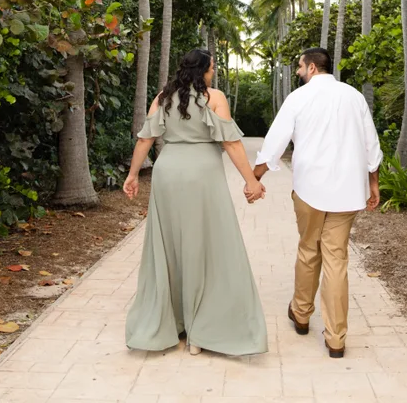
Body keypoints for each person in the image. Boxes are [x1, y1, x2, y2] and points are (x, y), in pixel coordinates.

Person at [124, 48, 268, 357]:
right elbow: (231, 143)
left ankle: (172, 322)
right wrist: (251, 181)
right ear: (203, 70)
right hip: (203, 175)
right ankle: (201, 331)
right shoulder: (214, 97)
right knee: (206, 246)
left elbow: (145, 139)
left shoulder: (163, 97)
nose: (213, 72)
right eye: (212, 68)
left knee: (170, 246)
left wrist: (133, 174)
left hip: (168, 173)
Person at [252, 47, 382, 359]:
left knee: (309, 249)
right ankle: (336, 339)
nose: (298, 72)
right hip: (348, 191)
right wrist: (373, 183)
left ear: (311, 67)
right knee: (336, 259)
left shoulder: (299, 98)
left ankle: (301, 313)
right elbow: (371, 143)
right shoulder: (354, 97)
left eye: (300, 67)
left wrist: (255, 177)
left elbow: (275, 141)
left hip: (309, 189)